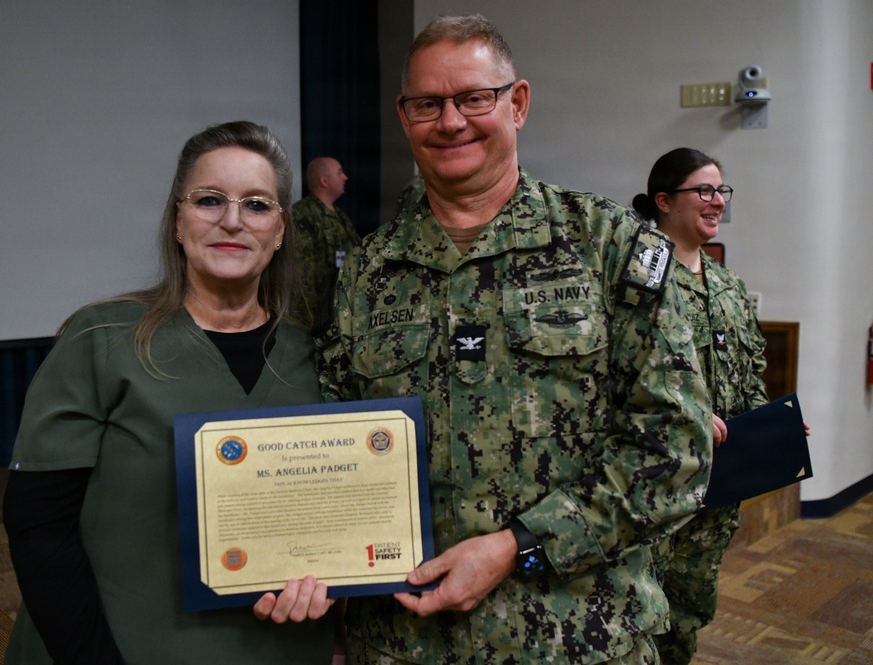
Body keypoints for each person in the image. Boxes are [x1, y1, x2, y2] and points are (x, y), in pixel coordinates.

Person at [315, 14, 713, 665]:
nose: (451, 121)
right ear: (403, 114)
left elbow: (677, 449)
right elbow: (334, 440)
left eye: (475, 97)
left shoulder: (607, 244)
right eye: (428, 104)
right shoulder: (366, 271)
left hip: (576, 637)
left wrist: (518, 542)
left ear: (517, 102)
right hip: (404, 643)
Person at [2, 121, 336, 665]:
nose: (232, 220)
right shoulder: (100, 340)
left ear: (280, 230)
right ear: (178, 221)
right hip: (110, 648)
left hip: (278, 645)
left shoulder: (316, 356)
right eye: (209, 200)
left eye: (256, 205)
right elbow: (39, 528)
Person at [631, 148, 769, 664]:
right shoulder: (639, 280)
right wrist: (686, 415)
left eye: (721, 192)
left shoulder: (727, 285)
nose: (716, 202)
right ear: (664, 201)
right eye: (704, 191)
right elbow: (619, 377)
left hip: (715, 492)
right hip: (655, 488)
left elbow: (750, 371)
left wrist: (769, 428)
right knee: (642, 613)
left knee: (688, 614)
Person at [291, 156, 361, 328]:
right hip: (316, 316)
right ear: (324, 181)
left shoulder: (340, 216)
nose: (345, 177)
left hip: (342, 310)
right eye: (339, 173)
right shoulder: (303, 214)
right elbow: (302, 275)